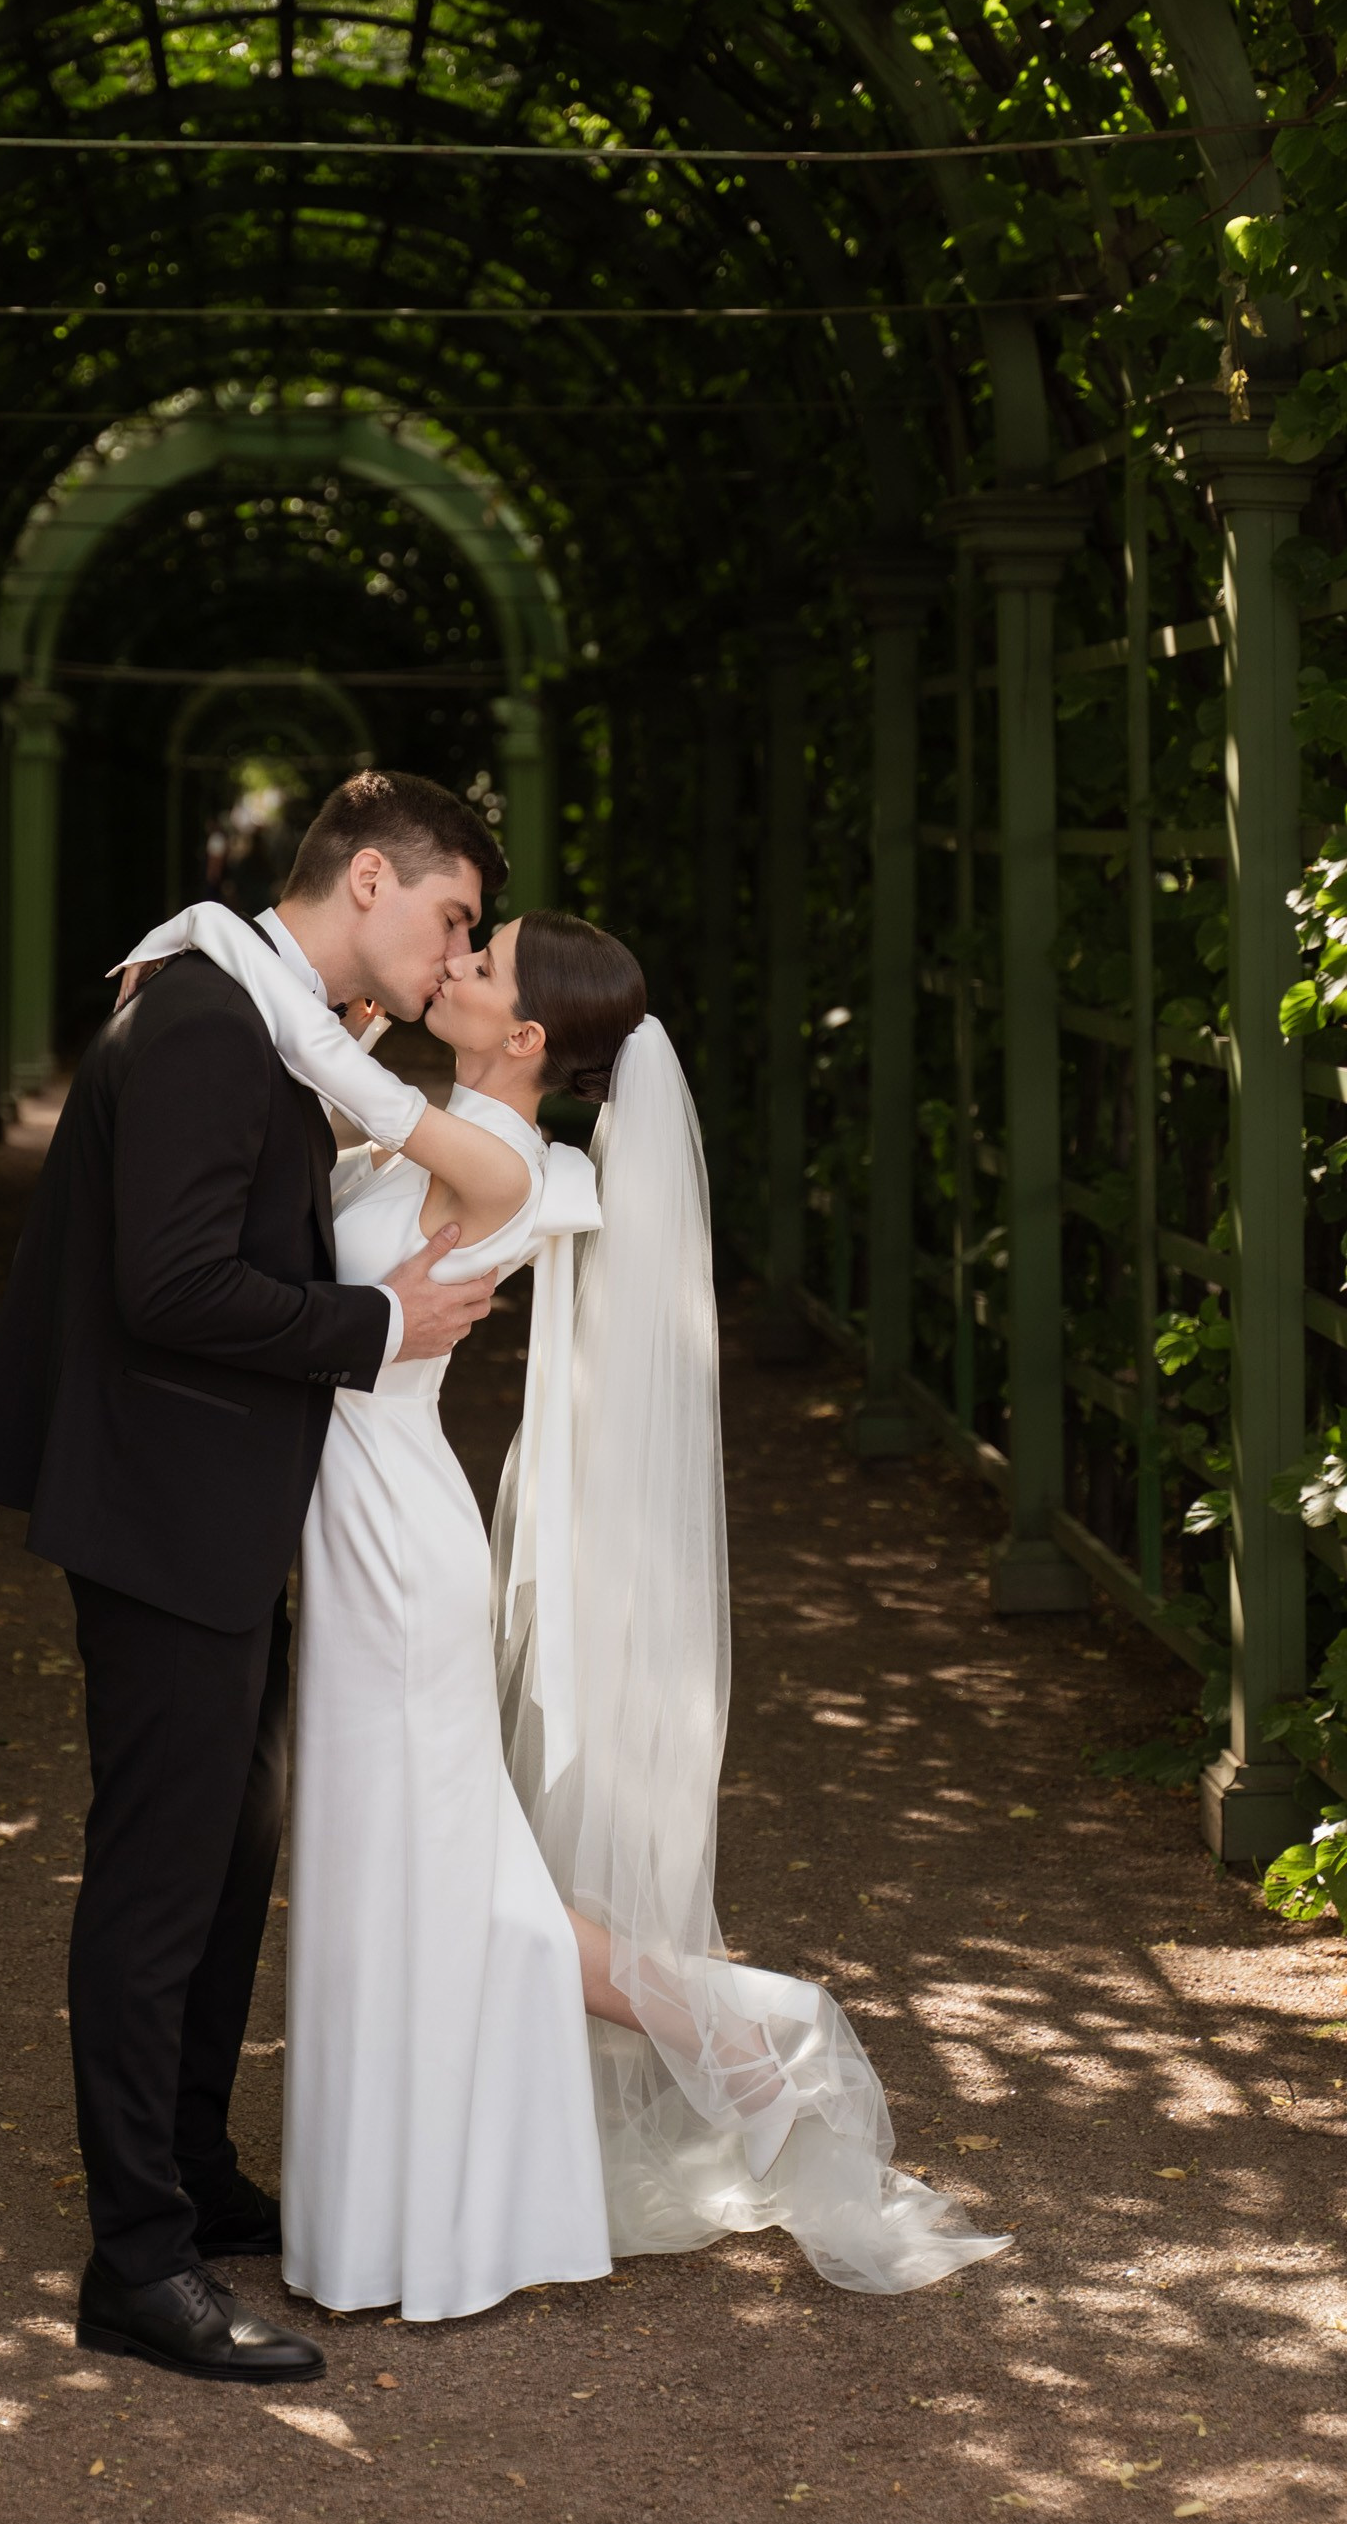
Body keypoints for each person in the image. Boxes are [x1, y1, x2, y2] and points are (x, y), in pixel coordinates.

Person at [115, 894, 1012, 2322]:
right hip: (355, 1520)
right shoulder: (451, 1126)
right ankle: (430, 2199)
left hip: (395, 1540)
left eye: (481, 960)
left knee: (460, 1887)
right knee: (399, 1878)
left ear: (527, 1033)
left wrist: (215, 930)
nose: (453, 967)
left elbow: (326, 1066)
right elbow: (321, 1112)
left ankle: (751, 2042)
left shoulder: (509, 1161)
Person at [0, 771, 509, 2382]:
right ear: (361, 883)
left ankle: (190, 2176)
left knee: (223, 1853)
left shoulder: (248, 1001)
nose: (454, 950)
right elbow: (175, 1280)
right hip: (158, 1501)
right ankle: (135, 2262)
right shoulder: (208, 1018)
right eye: (450, 917)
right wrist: (373, 1330)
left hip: (211, 1499)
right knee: (157, 1879)